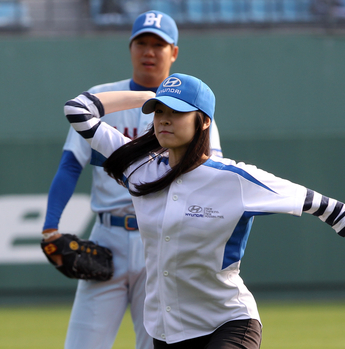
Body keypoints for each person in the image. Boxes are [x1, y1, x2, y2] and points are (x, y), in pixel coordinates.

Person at [63, 73, 345, 348]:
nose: (163, 118)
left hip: (228, 324)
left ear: (203, 122)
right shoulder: (140, 169)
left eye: (176, 111)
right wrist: (147, 95)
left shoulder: (235, 179)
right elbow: (78, 110)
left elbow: (327, 207)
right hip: (165, 333)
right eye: (159, 110)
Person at [41, 11, 223, 349]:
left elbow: (213, 180)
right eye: (142, 42)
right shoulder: (103, 98)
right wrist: (50, 227)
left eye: (158, 44)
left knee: (156, 345)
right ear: (130, 48)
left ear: (174, 52)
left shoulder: (193, 110)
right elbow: (70, 166)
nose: (149, 51)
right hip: (107, 236)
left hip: (162, 241)